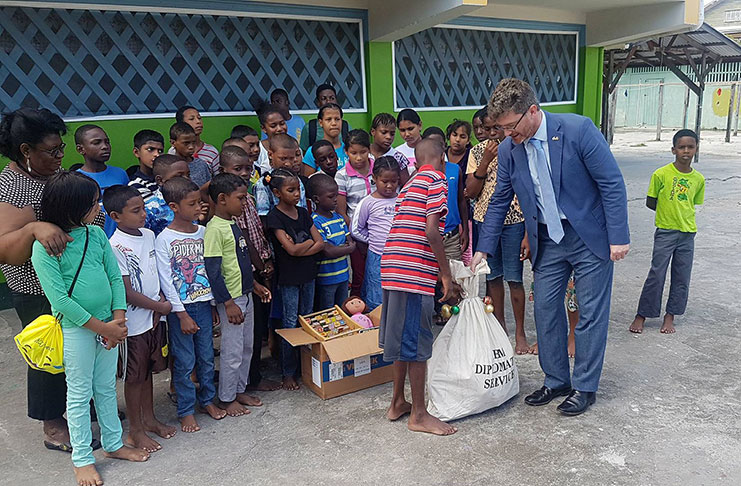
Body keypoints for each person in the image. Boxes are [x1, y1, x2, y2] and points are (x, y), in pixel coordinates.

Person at [472, 78, 630, 416]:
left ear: (532, 111)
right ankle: (556, 379)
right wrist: (483, 248)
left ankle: (585, 386)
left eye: (509, 127)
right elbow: (499, 200)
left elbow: (611, 182)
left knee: (589, 312)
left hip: (589, 236)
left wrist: (618, 235)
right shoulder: (508, 149)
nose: (505, 135)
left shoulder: (578, 130)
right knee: (544, 309)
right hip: (548, 237)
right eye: (499, 129)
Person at [31, 171, 149, 486]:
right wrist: (104, 328)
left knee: (105, 388)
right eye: (93, 202)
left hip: (109, 324)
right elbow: (61, 301)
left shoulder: (95, 235)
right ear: (70, 207)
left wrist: (118, 318)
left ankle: (112, 445)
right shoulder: (44, 249)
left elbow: (114, 277)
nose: (98, 207)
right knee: (80, 394)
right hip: (77, 329)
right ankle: (82, 459)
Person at [0, 108, 73, 454]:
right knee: (47, 355)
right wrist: (32, 228)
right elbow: (7, 251)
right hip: (37, 289)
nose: (60, 157)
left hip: (71, 283)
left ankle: (78, 405)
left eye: (62, 149)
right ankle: (53, 425)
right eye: (52, 151)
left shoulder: (50, 175)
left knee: (75, 350)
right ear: (26, 151)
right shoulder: (13, 186)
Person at [379, 139, 462, 435]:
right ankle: (419, 414)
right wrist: (445, 274)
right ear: (441, 158)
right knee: (417, 345)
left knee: (402, 340)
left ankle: (397, 402)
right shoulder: (438, 180)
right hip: (413, 273)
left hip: (392, 268)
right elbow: (431, 231)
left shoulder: (410, 184)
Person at [104, 185, 175, 452]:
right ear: (115, 216)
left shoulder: (147, 235)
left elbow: (153, 273)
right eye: (136, 211)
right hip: (132, 323)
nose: (143, 214)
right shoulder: (115, 247)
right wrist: (159, 306)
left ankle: (150, 420)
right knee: (134, 377)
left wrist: (158, 308)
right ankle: (134, 430)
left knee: (147, 372)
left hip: (153, 318)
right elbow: (126, 292)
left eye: (143, 208)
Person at [155, 177, 227, 432]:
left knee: (207, 357)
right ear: (174, 207)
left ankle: (207, 400)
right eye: (192, 203)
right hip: (180, 310)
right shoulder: (164, 239)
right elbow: (166, 279)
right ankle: (186, 409)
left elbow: (210, 271)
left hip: (203, 304)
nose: (200, 207)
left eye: (200, 202)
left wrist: (212, 303)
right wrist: (181, 313)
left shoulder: (204, 233)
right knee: (184, 361)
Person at [205, 174, 271, 415]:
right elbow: (213, 271)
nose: (245, 203)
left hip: (245, 295)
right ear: (222, 199)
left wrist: (255, 285)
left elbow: (241, 264)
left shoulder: (233, 224)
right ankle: (226, 397)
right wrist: (228, 303)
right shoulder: (214, 230)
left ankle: (239, 389)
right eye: (241, 198)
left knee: (246, 347)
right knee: (232, 351)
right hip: (232, 300)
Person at [465, 111, 529, 353]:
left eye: (497, 128)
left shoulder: (517, 148)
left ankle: (520, 332)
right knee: (493, 278)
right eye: (488, 129)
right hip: (485, 221)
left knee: (514, 278)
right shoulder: (477, 152)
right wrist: (485, 162)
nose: (493, 134)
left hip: (515, 220)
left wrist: (527, 233)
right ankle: (499, 327)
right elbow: (470, 191)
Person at [629, 129, 704, 335]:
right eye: (681, 147)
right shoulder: (661, 174)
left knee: (681, 276)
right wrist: (667, 214)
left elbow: (692, 203)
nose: (686, 151)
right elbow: (651, 202)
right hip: (665, 232)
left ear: (696, 149)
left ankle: (670, 315)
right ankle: (642, 314)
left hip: (687, 234)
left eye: (690, 147)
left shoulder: (699, 179)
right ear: (673, 150)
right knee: (657, 273)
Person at [219, 146, 281, 392]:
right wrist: (258, 265)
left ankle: (252, 375)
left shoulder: (249, 196)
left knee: (257, 329)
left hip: (260, 265)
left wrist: (266, 261)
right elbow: (241, 239)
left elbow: (256, 234)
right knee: (243, 336)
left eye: (248, 167)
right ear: (223, 170)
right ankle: (246, 383)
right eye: (238, 169)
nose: (245, 172)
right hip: (244, 271)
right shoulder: (226, 204)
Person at [265, 169, 324, 390]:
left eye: (298, 189)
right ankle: (287, 371)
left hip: (308, 274)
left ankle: (306, 366)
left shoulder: (303, 212)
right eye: (291, 190)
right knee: (290, 322)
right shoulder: (274, 217)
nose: (297, 194)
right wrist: (305, 245)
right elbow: (290, 250)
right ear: (277, 193)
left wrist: (303, 247)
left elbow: (319, 242)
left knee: (307, 320)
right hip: (289, 277)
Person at [351, 156, 400, 311]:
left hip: (399, 255)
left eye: (394, 181)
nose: (390, 186)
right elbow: (356, 229)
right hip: (377, 255)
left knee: (397, 292)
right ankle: (376, 328)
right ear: (374, 178)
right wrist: (372, 239)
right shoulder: (368, 202)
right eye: (384, 181)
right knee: (376, 291)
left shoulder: (402, 200)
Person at [336, 129, 374, 296]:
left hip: (379, 233)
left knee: (378, 274)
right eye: (353, 153)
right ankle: (357, 311)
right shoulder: (342, 176)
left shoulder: (378, 168)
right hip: (357, 234)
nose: (359, 157)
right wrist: (356, 235)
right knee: (359, 275)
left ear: (369, 149)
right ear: (346, 152)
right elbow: (342, 211)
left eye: (363, 152)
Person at [310, 173, 355, 309]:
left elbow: (349, 240)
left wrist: (340, 248)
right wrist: (347, 249)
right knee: (328, 312)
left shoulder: (338, 218)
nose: (336, 200)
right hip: (327, 278)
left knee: (343, 310)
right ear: (316, 199)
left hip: (343, 275)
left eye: (336, 195)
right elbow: (327, 250)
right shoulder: (315, 221)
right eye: (331, 197)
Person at [75, 124, 128, 237]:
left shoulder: (120, 174)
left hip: (121, 243)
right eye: (96, 143)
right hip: (92, 242)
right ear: (80, 149)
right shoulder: (76, 180)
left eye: (107, 142)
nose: (105, 146)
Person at [255, 133, 308, 217]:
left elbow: (302, 207)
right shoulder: (264, 183)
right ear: (270, 154)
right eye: (283, 159)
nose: (287, 163)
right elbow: (263, 213)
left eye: (291, 158)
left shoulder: (297, 180)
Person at [144, 154, 190, 236]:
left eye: (188, 175)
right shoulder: (150, 209)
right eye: (179, 176)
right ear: (160, 180)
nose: (186, 179)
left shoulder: (193, 202)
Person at [299, 83, 351, 153]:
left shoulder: (345, 126)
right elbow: (304, 153)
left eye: (332, 98)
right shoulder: (310, 128)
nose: (328, 101)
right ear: (318, 102)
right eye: (324, 98)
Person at [170, 106, 219, 175]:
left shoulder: (211, 152)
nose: (198, 122)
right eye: (191, 119)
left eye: (199, 118)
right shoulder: (173, 152)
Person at [302, 103, 349, 176]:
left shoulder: (349, 149)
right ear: (321, 122)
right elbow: (307, 181)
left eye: (337, 119)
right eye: (328, 119)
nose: (334, 123)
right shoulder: (312, 152)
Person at [369, 113, 411, 187]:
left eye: (392, 134)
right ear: (373, 131)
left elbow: (406, 187)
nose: (388, 137)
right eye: (384, 132)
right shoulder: (363, 153)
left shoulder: (398, 158)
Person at [169, 122, 211, 187]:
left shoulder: (201, 165)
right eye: (186, 143)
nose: (191, 147)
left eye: (193, 142)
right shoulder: (168, 167)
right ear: (173, 143)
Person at [129, 130, 165, 202]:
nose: (156, 154)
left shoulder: (166, 176)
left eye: (160, 151)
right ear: (136, 152)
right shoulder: (137, 184)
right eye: (150, 149)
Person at [255, 104, 288, 175]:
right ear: (263, 128)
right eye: (273, 126)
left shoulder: (293, 145)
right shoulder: (258, 150)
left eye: (282, 123)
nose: (279, 129)